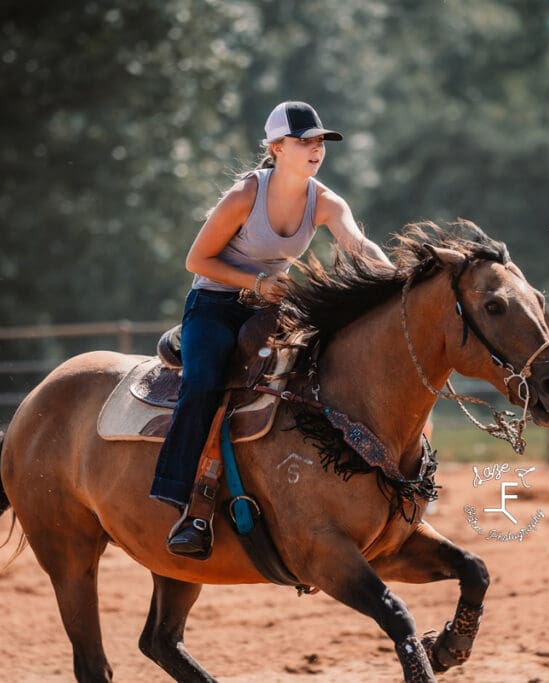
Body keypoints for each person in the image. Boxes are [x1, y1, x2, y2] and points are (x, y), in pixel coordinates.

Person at [150, 101, 392, 558]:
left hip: (270, 308)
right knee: (203, 383)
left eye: (320, 141)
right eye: (305, 141)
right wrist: (258, 282)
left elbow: (359, 244)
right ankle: (183, 501)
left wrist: (393, 279)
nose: (316, 149)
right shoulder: (245, 195)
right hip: (214, 304)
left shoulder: (326, 201)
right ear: (277, 148)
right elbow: (196, 261)